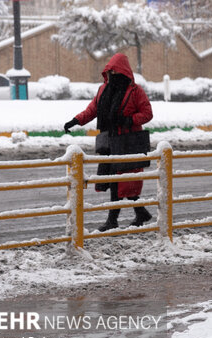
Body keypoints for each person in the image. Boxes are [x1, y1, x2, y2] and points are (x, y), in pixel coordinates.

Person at [64, 53, 153, 232]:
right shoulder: (103, 90)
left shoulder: (135, 91)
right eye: (110, 71)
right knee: (118, 180)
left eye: (115, 71)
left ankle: (113, 220)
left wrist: (129, 120)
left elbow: (147, 113)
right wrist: (76, 120)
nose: (113, 75)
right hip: (110, 142)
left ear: (124, 72)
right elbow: (92, 110)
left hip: (128, 142)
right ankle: (141, 212)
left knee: (122, 181)